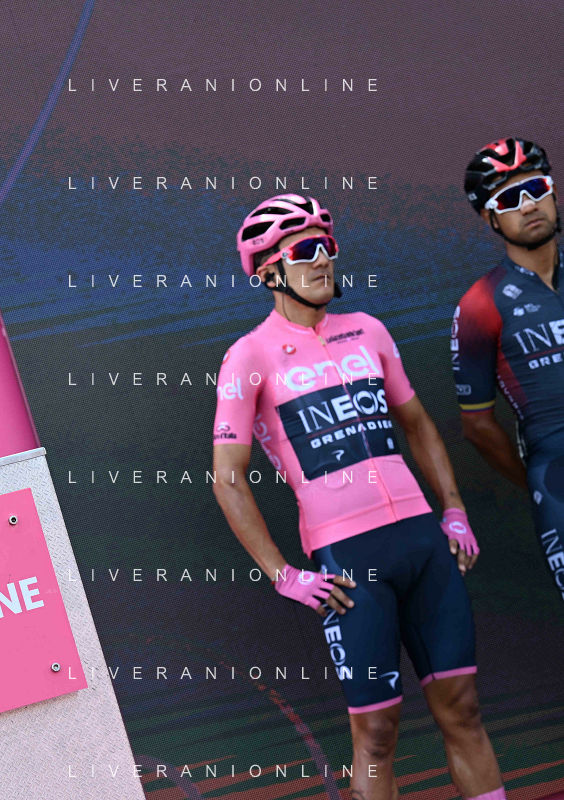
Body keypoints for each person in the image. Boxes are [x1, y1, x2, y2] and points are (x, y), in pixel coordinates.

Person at [211, 194, 504, 800]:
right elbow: (227, 477)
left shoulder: (369, 330)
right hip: (349, 560)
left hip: (422, 542)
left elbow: (417, 423)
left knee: (464, 709)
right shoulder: (248, 356)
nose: (323, 259)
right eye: (304, 250)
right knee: (376, 733)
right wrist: (282, 574)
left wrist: (453, 509)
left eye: (327, 246)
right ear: (268, 272)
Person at [454, 137, 564, 604]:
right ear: (490, 218)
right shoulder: (480, 305)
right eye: (509, 199)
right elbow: (478, 426)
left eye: (536, 189)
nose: (529, 205)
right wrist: (536, 479)